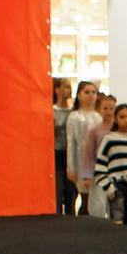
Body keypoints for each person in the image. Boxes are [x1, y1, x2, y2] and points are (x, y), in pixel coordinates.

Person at [94, 104, 127, 226]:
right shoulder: (109, 139)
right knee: (117, 219)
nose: (126, 120)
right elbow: (100, 166)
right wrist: (108, 187)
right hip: (116, 185)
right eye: (122, 117)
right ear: (116, 119)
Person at [64, 79, 101, 215]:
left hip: (98, 161)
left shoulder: (99, 117)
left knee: (97, 198)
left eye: (93, 92)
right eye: (87, 92)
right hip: (81, 160)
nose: (91, 95)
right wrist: (71, 168)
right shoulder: (74, 117)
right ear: (79, 95)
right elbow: (71, 143)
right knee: (85, 197)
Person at [79, 90, 117, 213]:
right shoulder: (94, 130)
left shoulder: (119, 129)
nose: (108, 112)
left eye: (111, 108)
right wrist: (87, 175)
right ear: (100, 109)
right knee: (98, 205)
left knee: (115, 205)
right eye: (105, 108)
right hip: (99, 172)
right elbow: (88, 154)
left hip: (116, 171)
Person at [53, 78, 75, 216]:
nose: (69, 90)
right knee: (58, 186)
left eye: (70, 87)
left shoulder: (73, 111)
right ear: (57, 89)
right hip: (56, 151)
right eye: (66, 87)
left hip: (70, 152)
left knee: (71, 189)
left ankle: (70, 215)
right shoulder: (52, 110)